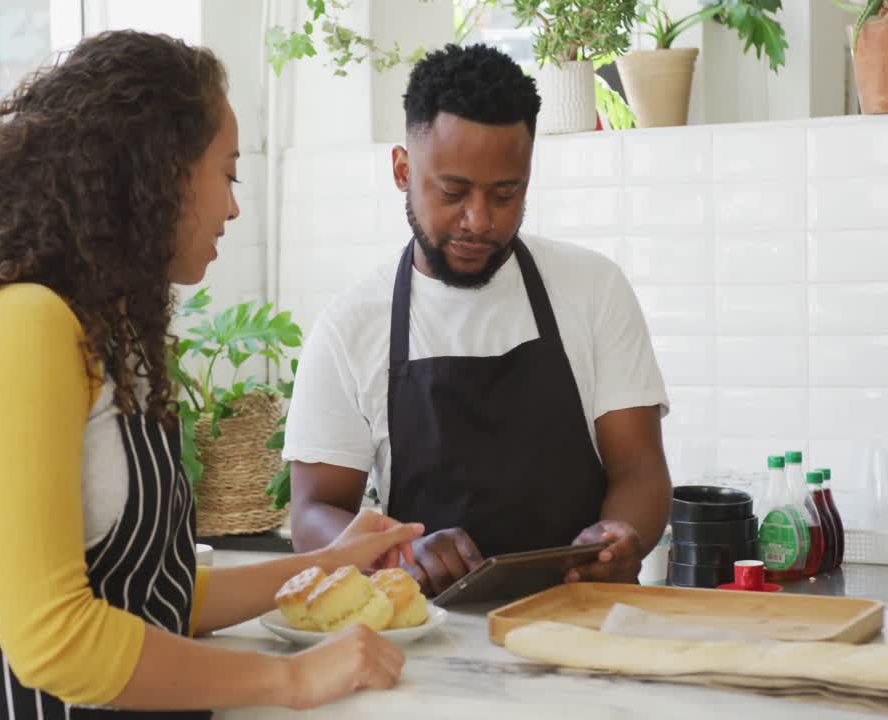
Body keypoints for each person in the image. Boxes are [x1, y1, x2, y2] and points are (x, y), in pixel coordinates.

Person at [0, 31, 422, 719]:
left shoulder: (108, 340)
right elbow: (54, 638)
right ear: (159, 171)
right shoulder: (24, 325)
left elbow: (151, 595)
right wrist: (293, 679)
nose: (232, 206)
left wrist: (332, 562)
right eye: (227, 173)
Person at [283, 44, 673, 597]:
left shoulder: (594, 289)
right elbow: (314, 511)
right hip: (423, 640)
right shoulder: (351, 325)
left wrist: (622, 534)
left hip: (580, 620)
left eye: (505, 194)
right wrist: (396, 552)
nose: (479, 221)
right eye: (453, 192)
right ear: (402, 170)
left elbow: (639, 470)